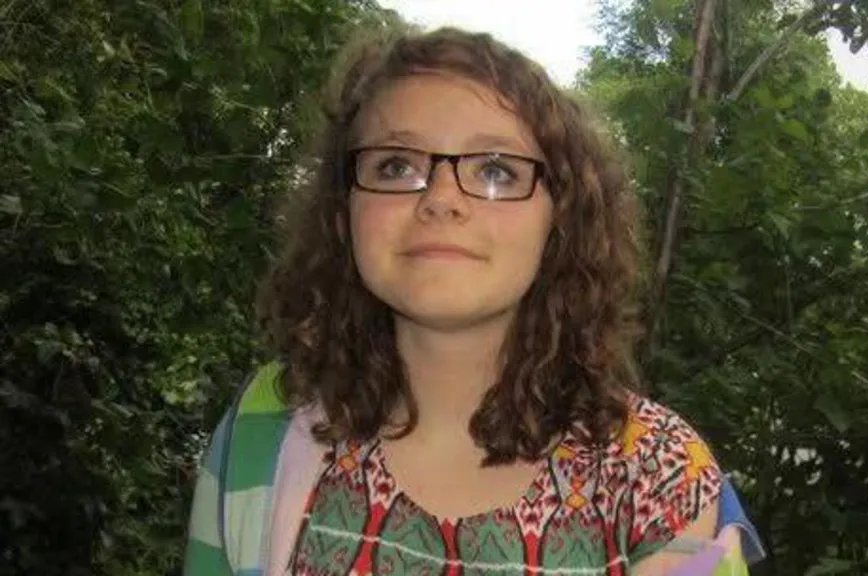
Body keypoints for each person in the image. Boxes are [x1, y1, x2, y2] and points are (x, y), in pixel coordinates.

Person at [184, 26, 763, 576]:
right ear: (344, 213)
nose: (441, 199)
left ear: (561, 220)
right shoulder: (262, 425)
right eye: (396, 165)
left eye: (495, 170)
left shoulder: (661, 477)